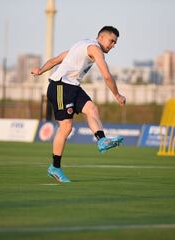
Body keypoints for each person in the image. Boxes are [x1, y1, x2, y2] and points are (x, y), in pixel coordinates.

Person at [31, 26, 126, 183]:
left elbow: (57, 60)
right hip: (60, 86)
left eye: (115, 43)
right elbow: (107, 76)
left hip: (72, 87)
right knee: (66, 128)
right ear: (101, 37)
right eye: (112, 41)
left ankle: (102, 140)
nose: (113, 45)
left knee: (91, 109)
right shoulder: (95, 49)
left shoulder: (82, 45)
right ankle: (55, 167)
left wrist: (41, 70)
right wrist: (117, 95)